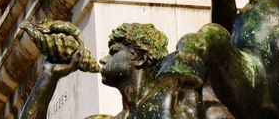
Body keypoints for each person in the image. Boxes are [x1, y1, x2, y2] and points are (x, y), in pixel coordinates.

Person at [18, 21, 204, 119]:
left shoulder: (176, 94)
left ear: (139, 58)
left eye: (114, 51)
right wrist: (49, 76)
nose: (103, 59)